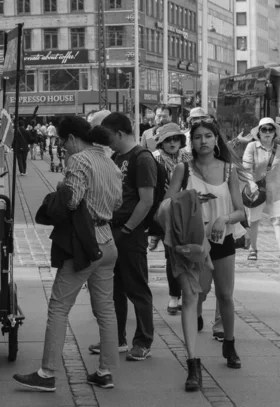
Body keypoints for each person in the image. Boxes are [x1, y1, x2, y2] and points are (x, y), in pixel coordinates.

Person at [13, 117, 123, 391]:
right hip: (108, 241)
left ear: (72, 138)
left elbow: (71, 200)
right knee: (106, 310)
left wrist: (60, 190)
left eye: (62, 142)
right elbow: (118, 201)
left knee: (59, 308)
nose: (62, 147)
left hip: (85, 246)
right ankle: (105, 372)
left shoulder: (79, 161)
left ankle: (47, 373)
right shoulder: (109, 160)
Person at [172, 117, 246, 371]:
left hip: (222, 240)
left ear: (216, 140)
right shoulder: (183, 169)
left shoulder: (228, 170)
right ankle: (192, 359)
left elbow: (240, 212)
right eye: (197, 137)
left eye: (207, 136)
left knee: (225, 295)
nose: (202, 141)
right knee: (195, 296)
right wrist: (191, 204)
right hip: (193, 244)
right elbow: (167, 206)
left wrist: (223, 219)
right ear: (191, 142)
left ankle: (230, 343)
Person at [94, 112, 156, 361]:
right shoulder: (117, 156)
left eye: (109, 137)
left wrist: (129, 229)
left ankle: (143, 341)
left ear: (119, 133)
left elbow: (147, 200)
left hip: (131, 231)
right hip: (113, 228)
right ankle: (116, 338)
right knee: (114, 288)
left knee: (136, 288)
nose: (107, 143)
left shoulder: (141, 158)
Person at [150, 123, 192, 314]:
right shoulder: (153, 158)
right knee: (171, 255)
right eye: (168, 139)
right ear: (161, 142)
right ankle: (174, 298)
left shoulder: (188, 158)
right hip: (164, 212)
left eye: (176, 138)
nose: (173, 142)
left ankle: (188, 295)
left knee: (187, 254)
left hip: (187, 212)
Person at [243, 118, 280, 264]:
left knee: (278, 220)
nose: (267, 132)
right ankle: (253, 249)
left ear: (274, 133)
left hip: (275, 189)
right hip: (256, 191)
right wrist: (251, 183)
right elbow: (246, 169)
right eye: (264, 129)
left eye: (270, 129)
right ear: (259, 132)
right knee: (254, 220)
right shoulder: (252, 147)